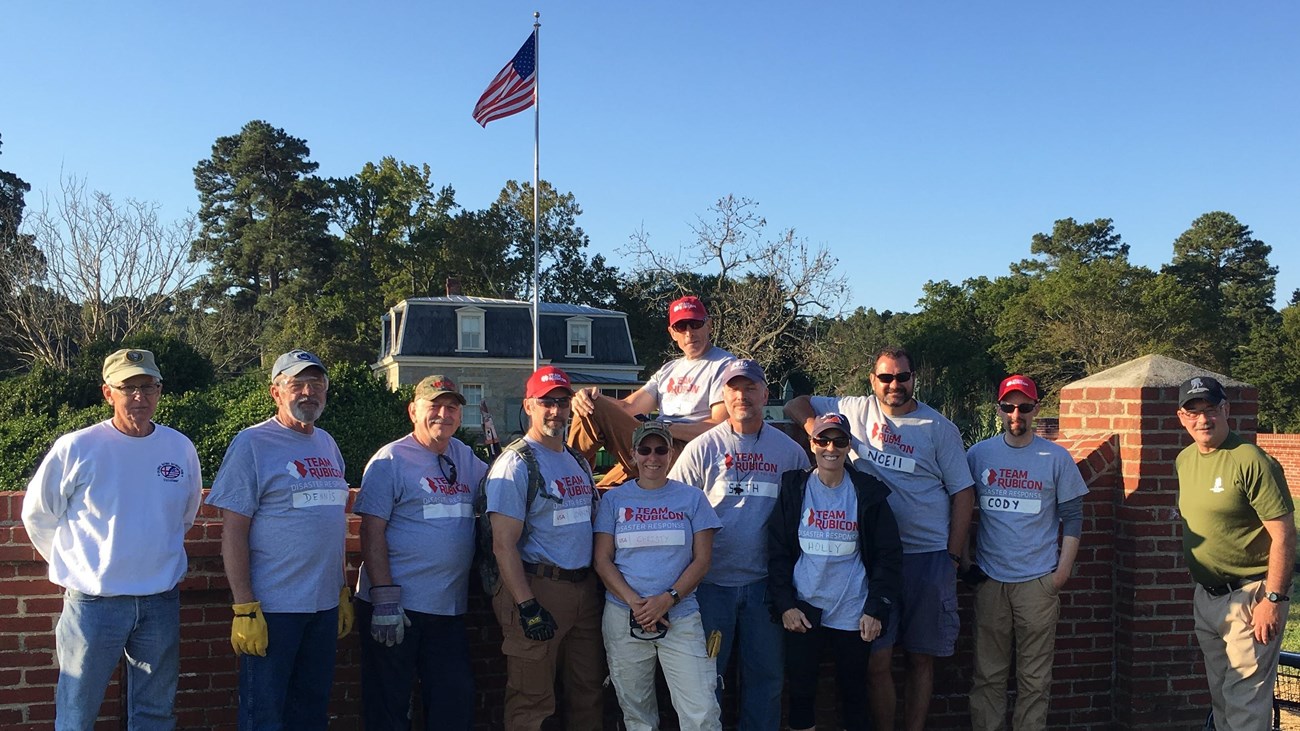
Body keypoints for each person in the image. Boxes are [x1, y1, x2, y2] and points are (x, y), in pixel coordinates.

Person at [784, 346, 974, 731]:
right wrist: (815, 433)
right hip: (870, 558)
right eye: (885, 377)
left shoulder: (939, 428)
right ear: (872, 380)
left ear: (913, 378)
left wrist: (952, 558)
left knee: (922, 657)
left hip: (926, 555)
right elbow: (795, 403)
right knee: (877, 661)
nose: (894, 385)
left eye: (902, 377)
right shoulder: (853, 410)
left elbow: (963, 493)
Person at [22, 348, 202, 730]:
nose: (140, 396)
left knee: (155, 712)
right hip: (93, 605)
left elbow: (184, 516)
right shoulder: (78, 447)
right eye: (129, 387)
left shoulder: (179, 447)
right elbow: (38, 513)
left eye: (148, 386)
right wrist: (74, 564)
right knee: (77, 712)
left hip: (159, 601)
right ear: (108, 393)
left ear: (159, 390)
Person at [206, 349, 353, 731]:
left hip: (322, 609)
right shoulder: (252, 444)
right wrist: (245, 607)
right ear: (276, 392)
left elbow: (331, 523)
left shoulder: (328, 444)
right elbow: (233, 531)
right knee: (264, 716)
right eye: (297, 383)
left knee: (311, 711)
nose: (308, 392)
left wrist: (340, 590)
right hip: (273, 610)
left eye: (316, 383)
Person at [668, 358, 810, 731]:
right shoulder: (701, 449)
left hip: (766, 587)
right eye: (734, 388)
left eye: (750, 388)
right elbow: (673, 510)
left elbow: (800, 519)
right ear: (723, 395)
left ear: (765, 394)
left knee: (766, 680)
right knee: (707, 680)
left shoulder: (790, 453)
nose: (742, 395)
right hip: (710, 586)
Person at [352, 375, 488, 731]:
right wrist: (383, 599)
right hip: (396, 609)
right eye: (435, 406)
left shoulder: (466, 457)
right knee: (390, 708)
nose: (444, 414)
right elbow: (371, 529)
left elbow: (501, 494)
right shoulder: (391, 459)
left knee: (453, 704)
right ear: (414, 411)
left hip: (447, 609)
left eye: (452, 407)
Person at [964, 375, 1088, 731]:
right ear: (999, 409)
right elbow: (960, 506)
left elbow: (1073, 518)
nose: (1016, 413)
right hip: (991, 580)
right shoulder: (978, 455)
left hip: (1038, 582)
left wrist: (1060, 574)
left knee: (1035, 680)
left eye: (1024, 406)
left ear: (1036, 409)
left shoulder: (1056, 458)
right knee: (987, 676)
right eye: (1008, 406)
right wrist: (968, 563)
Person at [485, 365, 604, 731]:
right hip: (537, 588)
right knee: (532, 700)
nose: (555, 410)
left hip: (584, 588)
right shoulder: (516, 463)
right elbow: (503, 545)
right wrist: (527, 606)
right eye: (546, 402)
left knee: (589, 692)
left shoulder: (577, 460)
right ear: (528, 406)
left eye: (562, 401)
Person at [767, 413, 902, 731]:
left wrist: (875, 608)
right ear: (811, 445)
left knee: (854, 695)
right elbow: (777, 554)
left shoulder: (867, 492)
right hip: (804, 609)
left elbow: (888, 556)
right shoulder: (793, 489)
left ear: (848, 446)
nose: (831, 447)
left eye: (839, 441)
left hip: (853, 611)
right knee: (800, 694)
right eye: (822, 440)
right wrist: (785, 605)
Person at [1174, 375, 1295, 729]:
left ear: (1225, 409)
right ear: (1181, 417)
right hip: (1207, 599)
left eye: (1210, 409)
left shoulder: (1251, 461)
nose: (1202, 419)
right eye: (1192, 412)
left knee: (1245, 708)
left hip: (1251, 597)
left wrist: (1273, 598)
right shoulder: (1184, 460)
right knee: (1223, 702)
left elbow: (1284, 535)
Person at [594, 421, 724, 731]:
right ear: (633, 454)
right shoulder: (614, 500)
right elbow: (602, 559)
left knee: (701, 710)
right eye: (645, 449)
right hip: (626, 617)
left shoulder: (692, 499)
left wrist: (668, 599)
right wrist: (637, 605)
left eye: (661, 449)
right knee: (636, 713)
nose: (653, 457)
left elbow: (702, 559)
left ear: (672, 453)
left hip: (680, 616)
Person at [569, 295, 734, 485]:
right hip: (651, 439)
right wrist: (587, 396)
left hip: (686, 450)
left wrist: (666, 429)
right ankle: (573, 479)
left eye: (695, 324)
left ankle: (564, 474)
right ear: (672, 333)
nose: (689, 333)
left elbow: (719, 427)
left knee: (593, 404)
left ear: (709, 325)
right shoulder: (668, 369)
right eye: (681, 327)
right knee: (601, 493)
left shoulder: (724, 365)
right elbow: (629, 406)